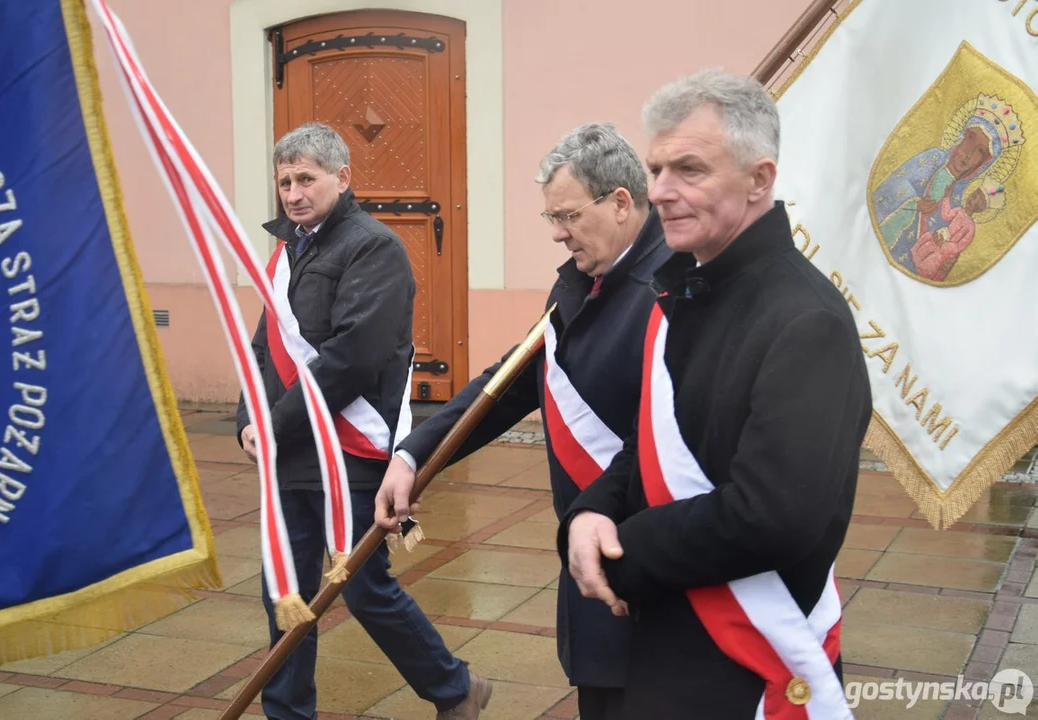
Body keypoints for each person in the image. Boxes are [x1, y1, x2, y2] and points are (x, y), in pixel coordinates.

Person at [559, 68, 873, 718]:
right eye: (656, 169)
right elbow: (651, 445)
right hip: (667, 644)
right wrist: (591, 512)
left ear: (759, 179)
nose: (661, 192)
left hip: (745, 665)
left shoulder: (805, 319)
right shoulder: (686, 290)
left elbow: (772, 514)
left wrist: (623, 554)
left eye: (689, 170)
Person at [374, 122, 684, 719]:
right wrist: (414, 454)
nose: (556, 234)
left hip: (648, 568)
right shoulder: (583, 281)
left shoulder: (671, 290)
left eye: (566, 216)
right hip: (591, 550)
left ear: (621, 202)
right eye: (551, 218)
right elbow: (513, 380)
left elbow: (667, 438)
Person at [236, 121, 491, 720]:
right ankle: (288, 712)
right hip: (288, 449)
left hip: (347, 449)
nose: (294, 193)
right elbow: (261, 348)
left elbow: (352, 358)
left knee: (363, 586)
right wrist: (250, 417)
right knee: (285, 591)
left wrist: (274, 424)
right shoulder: (286, 251)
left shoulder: (373, 247)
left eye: (307, 178)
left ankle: (455, 689)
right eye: (285, 182)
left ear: (342, 177)